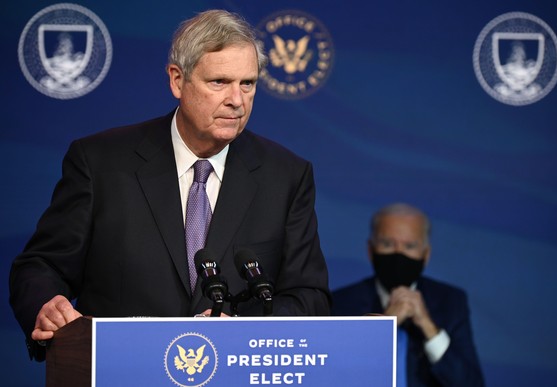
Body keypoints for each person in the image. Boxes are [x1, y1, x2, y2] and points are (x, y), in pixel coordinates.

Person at [9, 9, 330, 362]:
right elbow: (42, 265)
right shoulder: (100, 162)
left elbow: (308, 295)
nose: (237, 101)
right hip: (121, 370)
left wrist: (243, 328)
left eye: (248, 84)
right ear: (178, 80)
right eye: (219, 82)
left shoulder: (285, 175)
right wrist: (46, 304)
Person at [332, 203, 484, 386]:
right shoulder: (340, 303)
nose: (398, 254)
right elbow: (336, 376)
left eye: (409, 246)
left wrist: (429, 328)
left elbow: (470, 383)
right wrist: (385, 324)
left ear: (426, 255)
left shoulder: (450, 302)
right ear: (370, 250)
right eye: (387, 244)